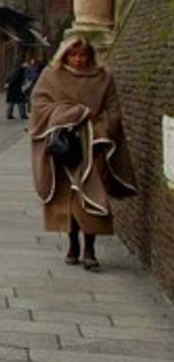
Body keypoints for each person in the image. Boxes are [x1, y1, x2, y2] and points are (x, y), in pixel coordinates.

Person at [31, 35, 137, 272]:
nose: (79, 60)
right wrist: (73, 114)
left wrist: (100, 130)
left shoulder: (103, 78)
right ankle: (72, 245)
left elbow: (113, 111)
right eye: (74, 55)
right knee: (67, 201)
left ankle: (90, 249)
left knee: (92, 197)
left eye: (83, 56)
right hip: (64, 149)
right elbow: (40, 107)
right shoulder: (51, 77)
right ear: (65, 55)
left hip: (93, 147)